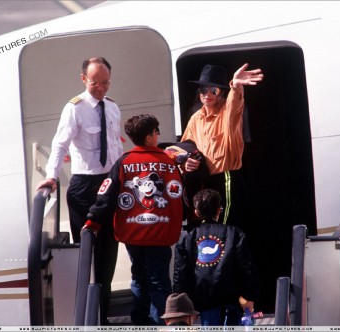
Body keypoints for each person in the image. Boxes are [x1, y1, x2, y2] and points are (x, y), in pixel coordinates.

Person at [35, 57, 123, 324]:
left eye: (106, 82)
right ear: (84, 79)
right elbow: (59, 145)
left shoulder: (113, 107)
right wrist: (51, 176)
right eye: (96, 83)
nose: (101, 88)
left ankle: (103, 315)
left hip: (110, 183)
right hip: (84, 187)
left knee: (108, 252)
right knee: (88, 252)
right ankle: (88, 315)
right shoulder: (75, 109)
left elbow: (117, 147)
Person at [84, 114, 184, 325]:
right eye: (157, 132)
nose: (158, 135)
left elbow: (106, 194)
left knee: (138, 278)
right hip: (160, 234)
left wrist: (93, 219)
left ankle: (139, 321)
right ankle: (162, 324)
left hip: (133, 235)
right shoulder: (168, 162)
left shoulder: (124, 162)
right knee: (159, 281)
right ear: (149, 137)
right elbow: (180, 196)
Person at [181, 63, 263, 228]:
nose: (208, 94)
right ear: (199, 93)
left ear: (222, 93)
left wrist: (236, 85)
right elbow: (185, 147)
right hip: (204, 182)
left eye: (214, 90)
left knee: (224, 228)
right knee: (206, 229)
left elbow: (235, 104)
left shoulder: (227, 111)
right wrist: (186, 162)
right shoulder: (196, 117)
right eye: (204, 90)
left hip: (227, 178)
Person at [173, 189, 260, 326]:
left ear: (196, 213)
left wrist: (181, 301)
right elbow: (247, 267)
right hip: (232, 296)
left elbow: (181, 273)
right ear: (219, 210)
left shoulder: (188, 237)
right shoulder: (235, 233)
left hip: (204, 298)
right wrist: (250, 295)